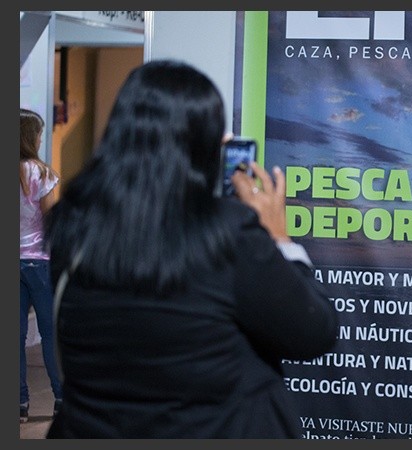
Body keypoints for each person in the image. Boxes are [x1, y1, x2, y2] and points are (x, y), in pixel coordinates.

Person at [44, 60, 339, 438]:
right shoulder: (228, 232)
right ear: (203, 144)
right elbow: (314, 332)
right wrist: (279, 239)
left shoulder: (74, 225)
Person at [19, 108, 63, 423]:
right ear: (31, 137)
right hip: (40, 262)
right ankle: (61, 400)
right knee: (50, 334)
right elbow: (51, 220)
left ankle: (19, 404)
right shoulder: (41, 172)